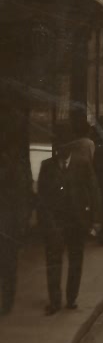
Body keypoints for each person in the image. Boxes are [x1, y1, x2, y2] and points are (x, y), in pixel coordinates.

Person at [37, 117, 102, 314]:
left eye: (64, 145)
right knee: (53, 261)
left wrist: (97, 219)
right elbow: (42, 197)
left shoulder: (82, 164)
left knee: (75, 261)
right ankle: (55, 301)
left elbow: (94, 191)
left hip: (76, 221)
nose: (60, 150)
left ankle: (71, 297)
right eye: (57, 145)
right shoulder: (47, 167)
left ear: (71, 146)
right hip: (55, 222)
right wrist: (46, 224)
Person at [0, 115, 33, 316]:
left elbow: (22, 196)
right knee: (8, 265)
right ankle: (7, 300)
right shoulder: (18, 165)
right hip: (9, 223)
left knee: (9, 264)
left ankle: (7, 301)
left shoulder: (15, 167)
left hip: (8, 223)